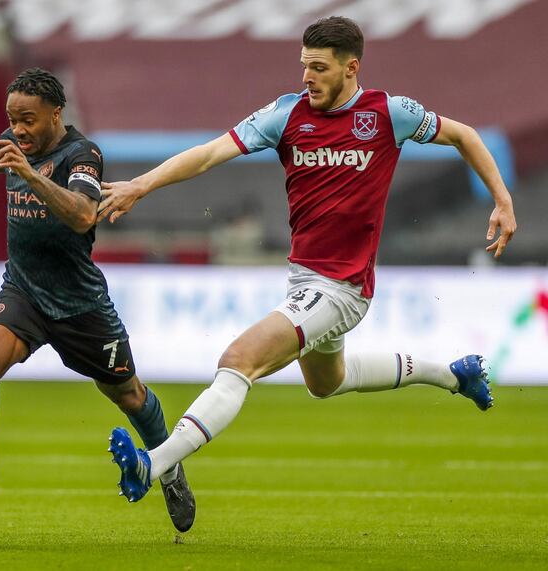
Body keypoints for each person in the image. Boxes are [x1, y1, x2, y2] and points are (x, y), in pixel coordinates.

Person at [99, 16, 517, 503]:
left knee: (238, 361)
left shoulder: (389, 113)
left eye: (318, 68)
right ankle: (454, 375)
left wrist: (503, 200)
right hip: (306, 283)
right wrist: (141, 185)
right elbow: (210, 154)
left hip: (343, 288)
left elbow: (464, 135)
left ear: (350, 68)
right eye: (304, 66)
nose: (306, 77)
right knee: (327, 382)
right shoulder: (286, 115)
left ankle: (152, 466)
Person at [0, 68, 195, 531]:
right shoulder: (17, 143)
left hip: (79, 304)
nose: (18, 130)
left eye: (27, 119)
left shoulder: (82, 155)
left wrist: (29, 175)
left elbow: (83, 214)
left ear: (55, 113)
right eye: (12, 119)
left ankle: (169, 468)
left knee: (128, 395)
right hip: (24, 290)